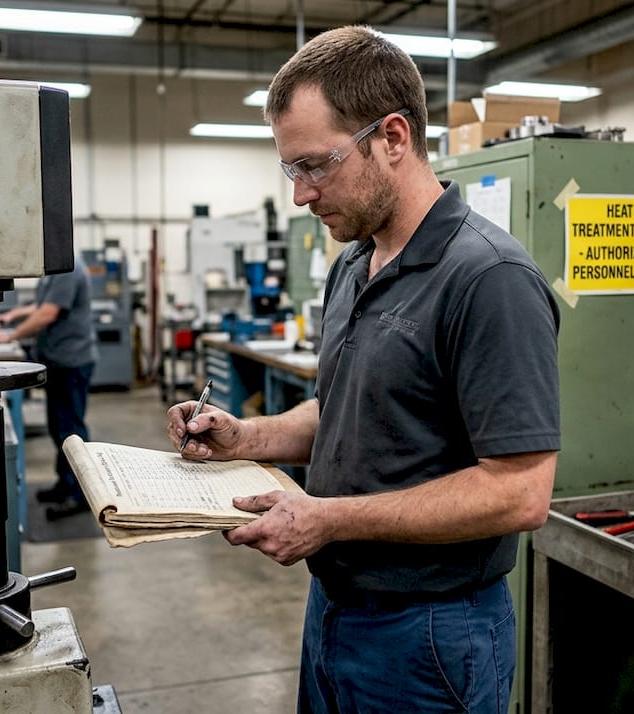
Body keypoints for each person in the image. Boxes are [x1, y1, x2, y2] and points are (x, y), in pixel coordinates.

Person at [167, 26, 560, 714]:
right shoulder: (354, 263)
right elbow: (345, 406)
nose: (301, 195)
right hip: (335, 609)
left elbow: (520, 492)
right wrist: (246, 438)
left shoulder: (489, 278)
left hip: (431, 635)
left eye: (316, 166)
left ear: (395, 138)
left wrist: (328, 518)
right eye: (293, 170)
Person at [0, 255, 99, 521]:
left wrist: (11, 335)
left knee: (71, 428)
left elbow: (48, 313)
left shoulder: (68, 268)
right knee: (58, 427)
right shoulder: (55, 269)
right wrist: (15, 314)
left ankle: (80, 494)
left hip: (72, 361)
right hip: (58, 360)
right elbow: (42, 305)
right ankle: (65, 483)